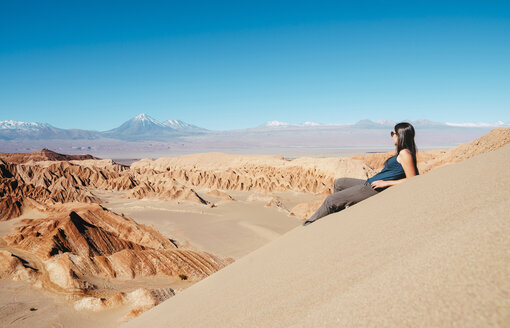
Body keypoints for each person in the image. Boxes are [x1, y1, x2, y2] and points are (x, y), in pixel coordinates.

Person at [303, 122, 419, 226]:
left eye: (393, 133)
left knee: (331, 200)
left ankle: (310, 225)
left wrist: (386, 183)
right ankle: (338, 213)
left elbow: (413, 179)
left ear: (401, 135)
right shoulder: (403, 152)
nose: (392, 136)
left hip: (372, 188)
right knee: (340, 182)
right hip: (370, 182)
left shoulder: (405, 154)